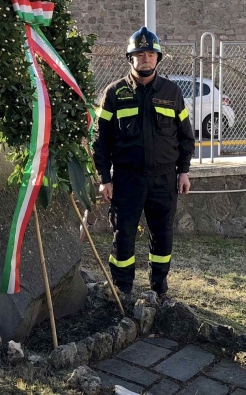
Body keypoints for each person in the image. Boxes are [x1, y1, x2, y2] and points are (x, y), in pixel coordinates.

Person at [92, 26, 195, 301]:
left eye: (151, 53)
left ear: (158, 58)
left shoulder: (172, 92)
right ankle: (122, 290)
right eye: (140, 53)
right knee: (123, 235)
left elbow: (186, 136)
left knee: (162, 235)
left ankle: (159, 289)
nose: (145, 58)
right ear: (130, 58)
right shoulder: (113, 93)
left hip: (164, 179)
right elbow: (99, 141)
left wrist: (183, 171)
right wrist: (104, 178)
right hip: (127, 179)